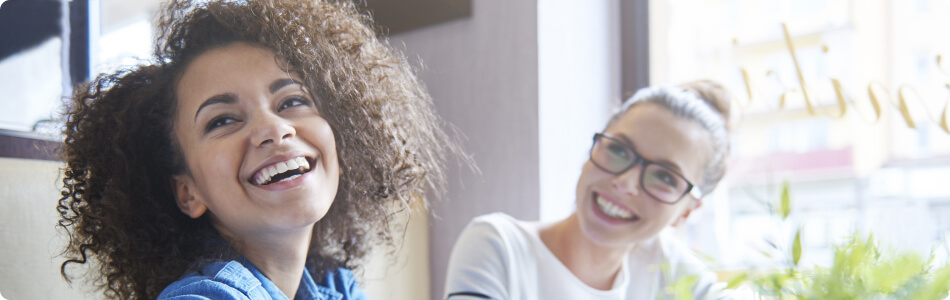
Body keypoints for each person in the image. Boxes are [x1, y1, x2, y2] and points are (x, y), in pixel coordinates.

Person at [56, 0, 458, 299]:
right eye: (222, 120)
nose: (273, 128)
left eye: (291, 102)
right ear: (188, 192)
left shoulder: (333, 286)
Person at [443, 81, 734, 299]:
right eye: (619, 150)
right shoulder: (499, 247)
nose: (625, 183)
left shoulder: (665, 265)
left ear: (687, 211)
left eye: (665, 177)